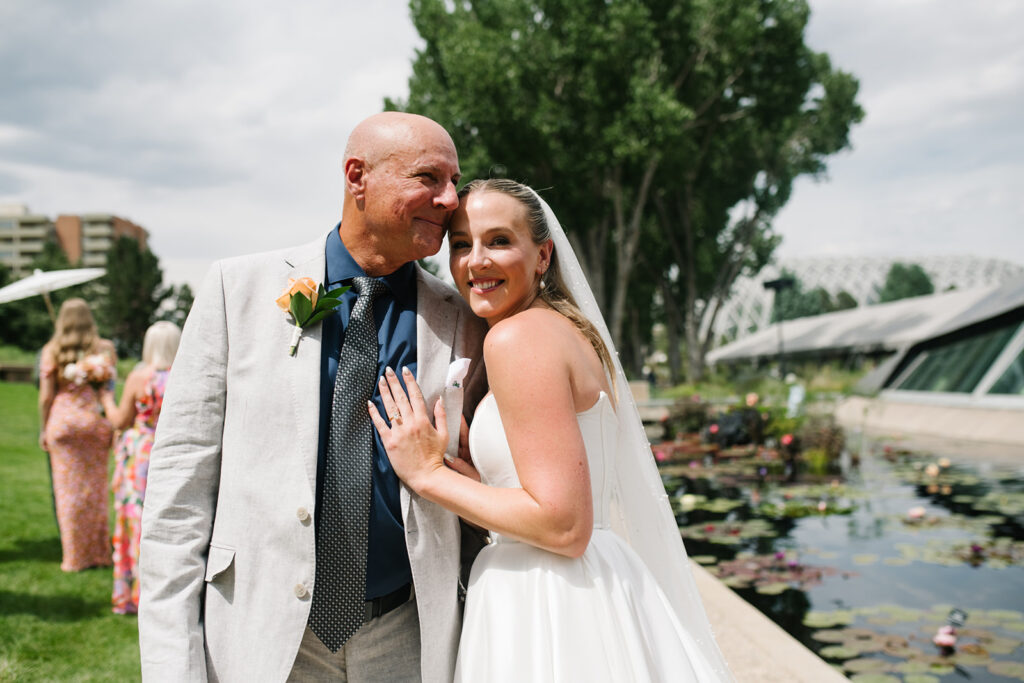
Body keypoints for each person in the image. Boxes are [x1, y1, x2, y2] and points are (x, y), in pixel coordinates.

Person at [138, 112, 488, 682]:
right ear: (358, 178)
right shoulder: (238, 291)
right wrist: (171, 668)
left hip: (410, 633)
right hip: (262, 632)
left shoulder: (462, 317)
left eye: (454, 181)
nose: (451, 199)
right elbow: (179, 498)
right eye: (429, 178)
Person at [370, 179, 734, 682]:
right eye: (461, 245)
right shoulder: (567, 329)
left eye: (498, 241)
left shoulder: (518, 338)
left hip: (548, 600)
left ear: (543, 256)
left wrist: (430, 474)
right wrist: (482, 486)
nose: (475, 261)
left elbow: (563, 526)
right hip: (597, 581)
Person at [100, 321, 181, 614]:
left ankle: (133, 593)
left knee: (134, 523)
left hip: (141, 455)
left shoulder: (139, 377)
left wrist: (106, 400)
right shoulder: (183, 377)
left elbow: (120, 420)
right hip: (172, 452)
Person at [38, 297, 117, 572]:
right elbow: (109, 389)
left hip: (63, 424)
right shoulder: (104, 348)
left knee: (67, 492)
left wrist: (43, 428)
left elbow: (46, 396)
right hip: (93, 422)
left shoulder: (52, 349)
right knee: (95, 490)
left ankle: (74, 557)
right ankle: (99, 554)